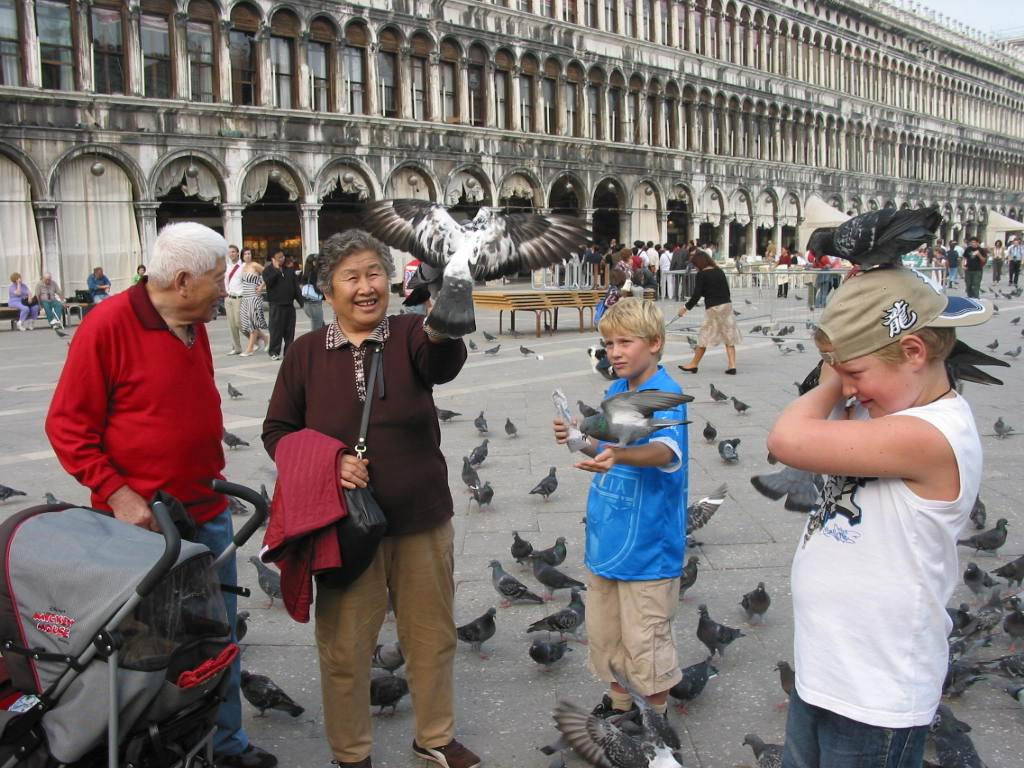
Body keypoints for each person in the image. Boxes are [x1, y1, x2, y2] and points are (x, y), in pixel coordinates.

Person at [45, 222, 276, 768]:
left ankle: (222, 744)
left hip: (208, 509)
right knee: (150, 647)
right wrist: (120, 494)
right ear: (180, 280)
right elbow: (67, 427)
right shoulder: (107, 326)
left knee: (218, 637)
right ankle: (152, 745)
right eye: (219, 279)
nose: (226, 288)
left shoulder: (193, 322)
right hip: (144, 529)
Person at [262, 229, 479, 768]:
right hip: (343, 528)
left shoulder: (409, 334)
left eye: (374, 274)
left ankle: (434, 736)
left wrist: (448, 301)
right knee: (344, 647)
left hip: (421, 517)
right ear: (327, 291)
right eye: (351, 277)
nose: (366, 287)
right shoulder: (306, 353)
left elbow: (443, 360)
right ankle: (350, 752)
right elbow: (277, 432)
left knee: (431, 636)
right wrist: (329, 462)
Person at [767, 267, 989, 768]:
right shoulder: (887, 411)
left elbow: (787, 441)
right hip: (825, 668)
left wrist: (828, 379)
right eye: (839, 372)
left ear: (914, 353)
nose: (848, 387)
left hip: (876, 692)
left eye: (856, 373)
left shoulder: (932, 434)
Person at [551, 297, 688, 720]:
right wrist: (578, 437)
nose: (614, 352)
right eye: (609, 343)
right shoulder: (616, 389)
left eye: (625, 342)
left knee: (645, 639)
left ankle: (655, 719)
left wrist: (621, 456)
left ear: (656, 343)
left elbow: (665, 451)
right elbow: (607, 450)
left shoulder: (665, 395)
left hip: (648, 549)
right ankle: (620, 703)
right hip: (608, 539)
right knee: (606, 631)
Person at [676, 249, 740, 374]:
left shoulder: (702, 275)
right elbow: (727, 291)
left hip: (713, 308)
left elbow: (696, 295)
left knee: (704, 336)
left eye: (695, 265)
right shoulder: (719, 271)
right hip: (726, 305)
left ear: (699, 263)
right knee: (729, 336)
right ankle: (732, 365)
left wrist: (685, 308)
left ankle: (693, 364)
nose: (695, 267)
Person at [263, 250, 303, 361]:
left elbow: (296, 288)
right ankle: (274, 351)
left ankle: (288, 352)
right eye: (279, 257)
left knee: (290, 331)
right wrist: (276, 270)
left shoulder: (289, 270)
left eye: (283, 257)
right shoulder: (268, 271)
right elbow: (269, 283)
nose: (282, 259)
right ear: (273, 259)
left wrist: (302, 302)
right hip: (276, 306)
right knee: (276, 330)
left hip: (289, 306)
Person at [239, 248, 268, 357]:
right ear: (242, 256)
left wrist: (261, 286)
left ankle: (250, 348)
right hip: (245, 297)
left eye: (249, 253)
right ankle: (266, 338)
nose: (247, 255)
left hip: (254, 297)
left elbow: (268, 274)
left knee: (253, 324)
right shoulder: (243, 267)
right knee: (245, 324)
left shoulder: (255, 265)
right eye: (245, 254)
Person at [224, 245, 245, 355]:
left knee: (239, 322)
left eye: (233, 252)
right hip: (228, 298)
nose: (231, 254)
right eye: (229, 252)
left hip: (239, 298)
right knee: (231, 324)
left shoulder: (243, 266)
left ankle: (255, 338)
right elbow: (225, 282)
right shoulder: (226, 267)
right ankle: (236, 347)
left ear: (237, 253)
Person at [301, 252, 325, 331]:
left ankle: (323, 342)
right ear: (313, 262)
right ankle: (314, 343)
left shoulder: (305, 273)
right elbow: (317, 289)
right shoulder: (314, 273)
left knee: (322, 326)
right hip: (315, 304)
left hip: (307, 304)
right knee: (317, 330)